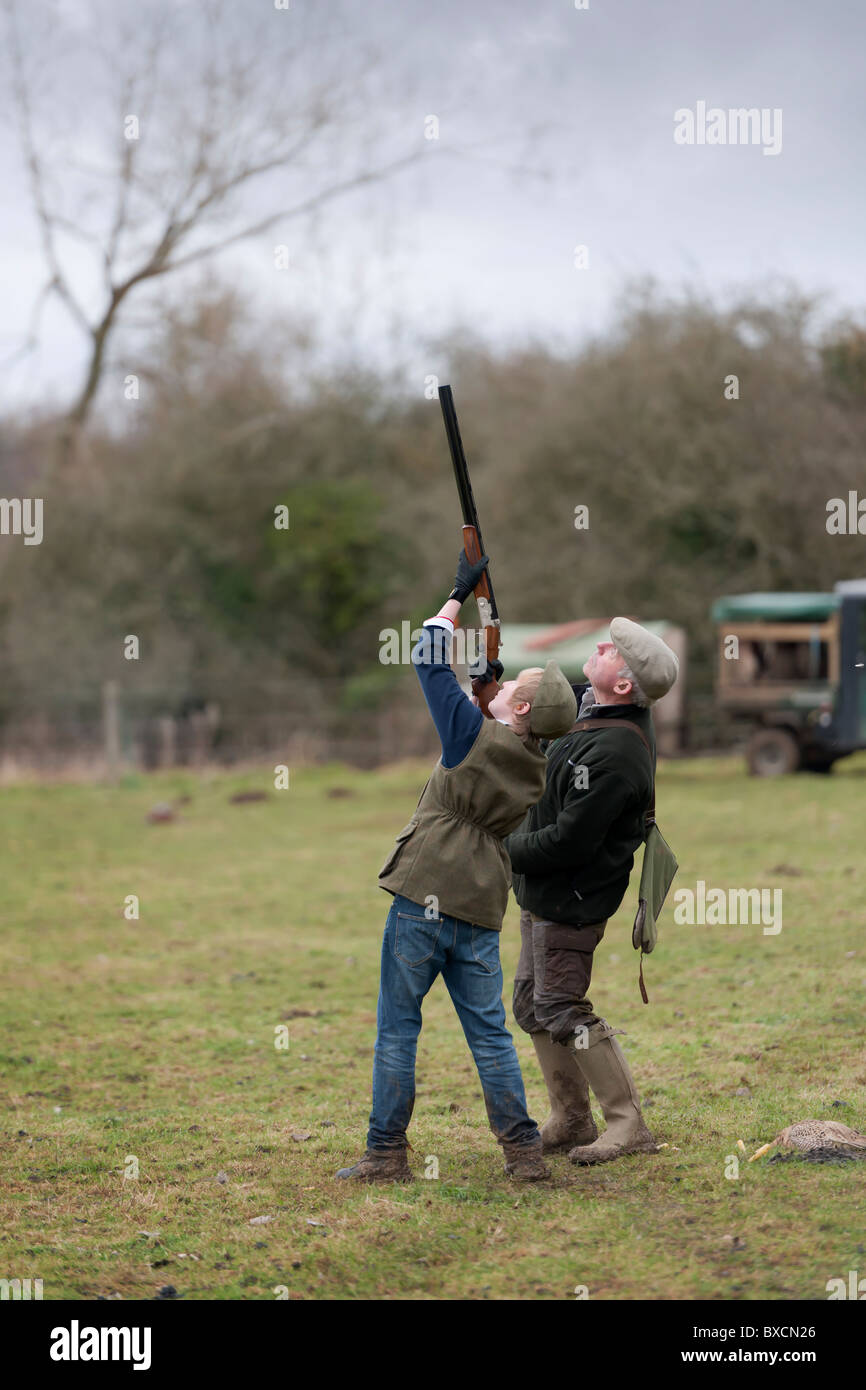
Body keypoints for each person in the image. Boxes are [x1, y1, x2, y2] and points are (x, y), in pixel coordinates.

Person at [336, 552, 577, 1184]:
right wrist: (488, 690)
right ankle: (523, 1155)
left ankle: (385, 1154)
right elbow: (493, 736)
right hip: (479, 903)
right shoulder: (537, 762)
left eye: (514, 691)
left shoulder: (469, 735)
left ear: (519, 712)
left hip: (422, 894)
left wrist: (455, 595)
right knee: (492, 1037)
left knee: (396, 1032)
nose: (504, 692)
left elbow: (423, 654)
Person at [506, 617, 679, 1164]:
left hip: (571, 898)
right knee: (533, 1005)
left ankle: (627, 1124)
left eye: (611, 650)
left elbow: (568, 844)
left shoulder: (614, 754)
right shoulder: (596, 716)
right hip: (545, 894)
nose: (600, 646)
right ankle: (572, 1118)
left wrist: (499, 849)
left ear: (624, 685)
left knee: (563, 1007)